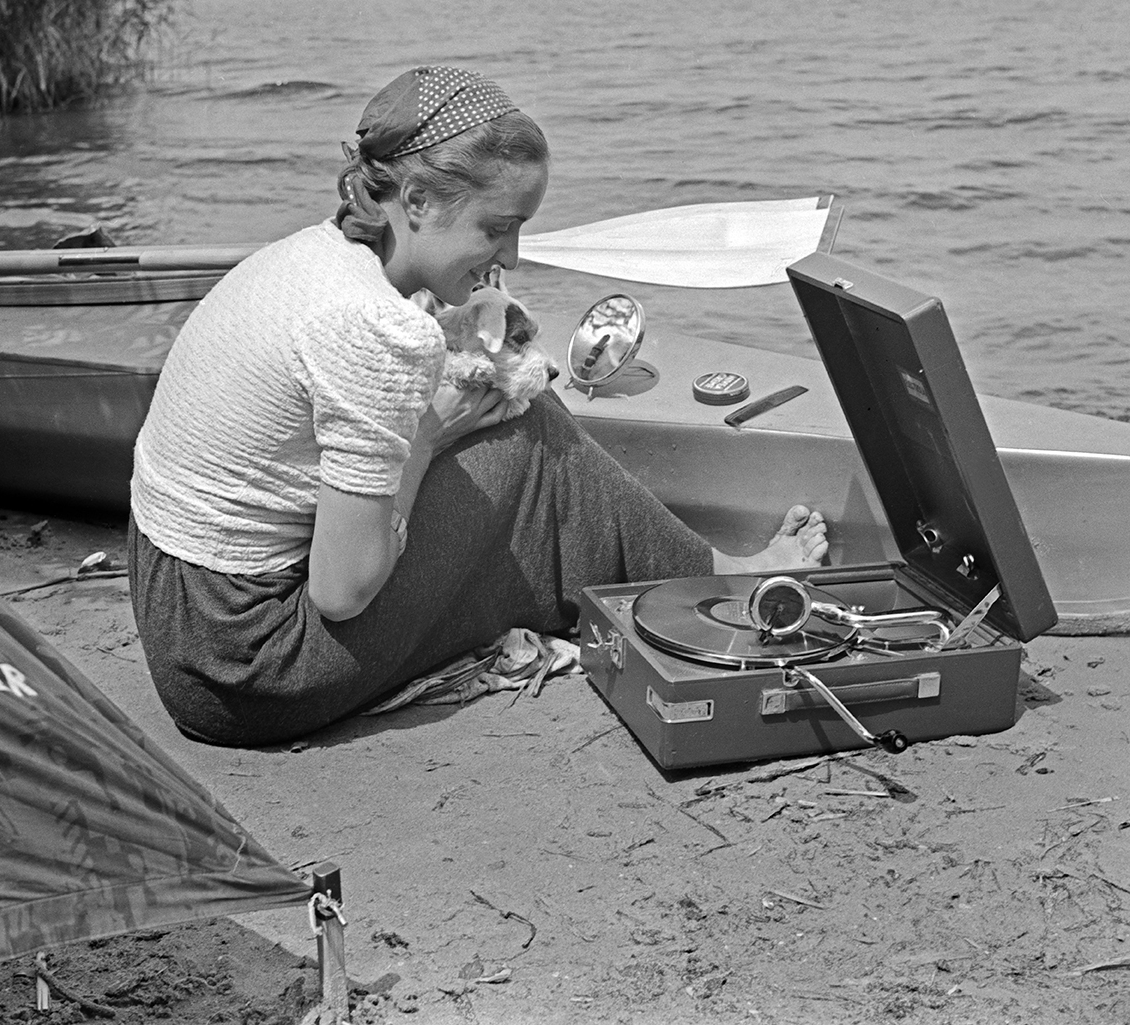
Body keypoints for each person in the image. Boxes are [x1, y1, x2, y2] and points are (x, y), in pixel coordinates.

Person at [128, 65, 828, 748]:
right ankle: (710, 575)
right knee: (529, 436)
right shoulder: (374, 325)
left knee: (514, 425)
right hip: (249, 666)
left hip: (175, 606)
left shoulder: (308, 256)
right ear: (417, 201)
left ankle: (666, 564)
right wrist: (426, 439)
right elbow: (340, 594)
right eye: (497, 227)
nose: (512, 257)